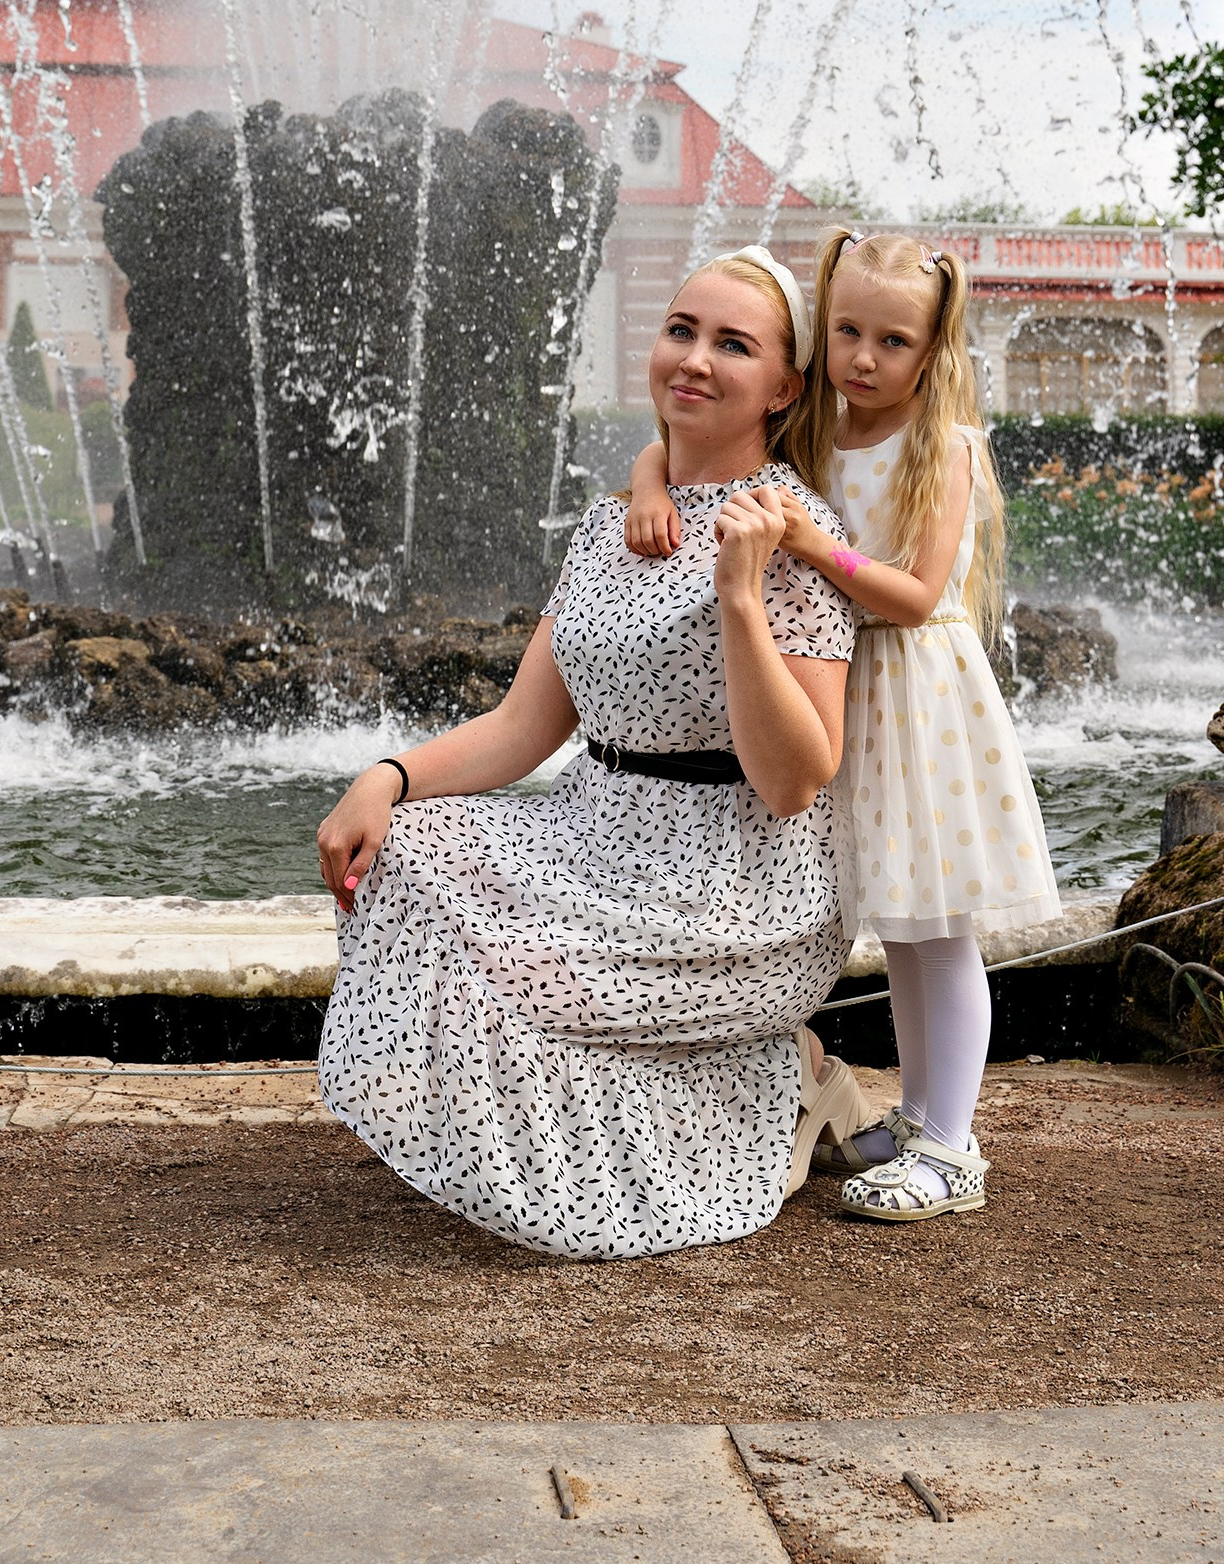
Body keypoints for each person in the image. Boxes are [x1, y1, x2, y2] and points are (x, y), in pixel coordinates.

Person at [314, 245, 876, 1260]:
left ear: (784, 387)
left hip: (733, 881)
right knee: (403, 853)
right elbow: (523, 730)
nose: (694, 360)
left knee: (523, 972)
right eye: (681, 332)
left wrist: (739, 597)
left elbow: (796, 781)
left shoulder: (792, 537)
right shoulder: (603, 528)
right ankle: (749, 1077)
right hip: (597, 838)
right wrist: (383, 780)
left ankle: (770, 1076)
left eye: (732, 345)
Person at [627, 226, 1059, 1219]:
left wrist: (813, 545)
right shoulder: (817, 427)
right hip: (843, 688)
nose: (863, 359)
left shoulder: (940, 445)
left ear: (932, 349)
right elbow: (669, 442)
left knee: (935, 928)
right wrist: (650, 488)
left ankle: (952, 1147)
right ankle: (916, 1112)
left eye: (892, 342)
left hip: (913, 693)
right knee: (895, 925)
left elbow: (908, 596)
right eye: (847, 332)